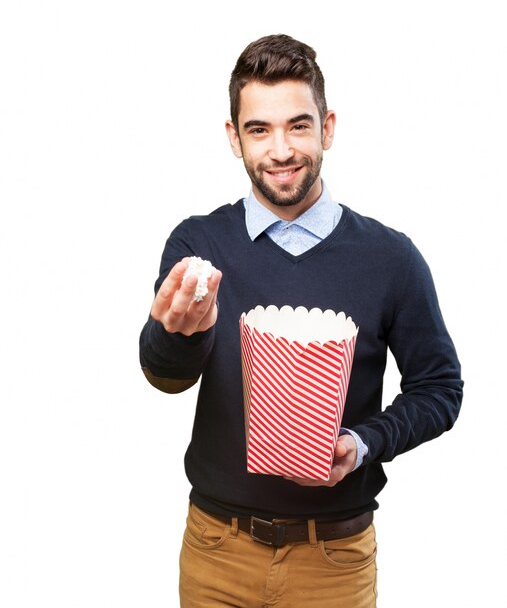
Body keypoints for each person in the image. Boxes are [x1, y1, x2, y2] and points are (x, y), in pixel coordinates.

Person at [139, 34, 463, 608]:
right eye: (259, 129)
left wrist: (365, 444)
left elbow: (440, 388)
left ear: (328, 128)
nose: (281, 149)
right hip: (217, 552)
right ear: (234, 139)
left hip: (334, 562)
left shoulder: (391, 258)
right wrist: (176, 335)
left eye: (299, 125)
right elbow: (166, 377)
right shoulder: (199, 244)